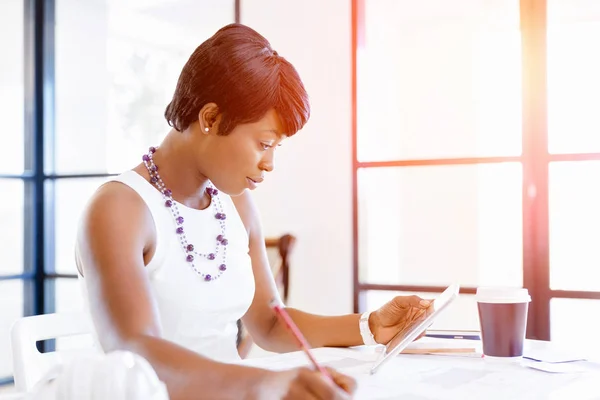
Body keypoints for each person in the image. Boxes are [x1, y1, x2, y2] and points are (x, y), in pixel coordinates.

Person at [75, 23, 433, 400]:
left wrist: (369, 326)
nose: (269, 164)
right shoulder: (119, 209)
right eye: (264, 143)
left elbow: (269, 323)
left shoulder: (235, 204)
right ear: (210, 119)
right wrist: (263, 384)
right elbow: (134, 353)